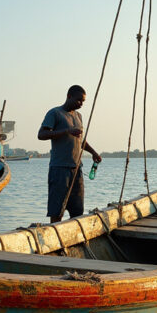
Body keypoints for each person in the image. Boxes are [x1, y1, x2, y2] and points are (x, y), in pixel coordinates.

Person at [38, 85, 101, 223]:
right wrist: (66, 131)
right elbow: (41, 134)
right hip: (59, 168)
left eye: (83, 101)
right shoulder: (55, 113)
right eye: (79, 100)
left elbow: (81, 140)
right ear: (69, 96)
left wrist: (93, 152)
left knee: (77, 211)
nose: (81, 104)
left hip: (76, 169)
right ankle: (55, 232)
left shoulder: (78, 116)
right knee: (57, 210)